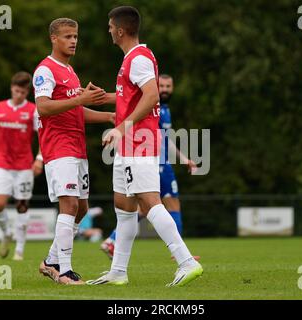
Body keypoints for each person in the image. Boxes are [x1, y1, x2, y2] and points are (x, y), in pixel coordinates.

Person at [87, 6, 203, 287]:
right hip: (130, 143)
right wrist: (103, 98)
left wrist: (122, 127)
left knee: (150, 202)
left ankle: (187, 262)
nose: (109, 31)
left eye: (110, 26)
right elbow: (132, 95)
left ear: (120, 30)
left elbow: (151, 96)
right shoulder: (134, 58)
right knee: (123, 205)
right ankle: (118, 271)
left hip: (138, 140)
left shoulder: (137, 58)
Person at [33, 18, 113, 285]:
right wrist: (80, 98)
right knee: (70, 204)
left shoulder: (71, 72)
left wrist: (109, 117)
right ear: (54, 38)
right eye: (67, 36)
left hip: (77, 147)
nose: (73, 40)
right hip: (58, 146)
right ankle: (65, 271)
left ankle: (50, 261)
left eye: (76, 36)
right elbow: (43, 107)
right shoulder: (45, 70)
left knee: (82, 209)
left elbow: (76, 109)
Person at [100, 74, 200, 261]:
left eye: (168, 86)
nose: (164, 89)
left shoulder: (165, 109)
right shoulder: (154, 108)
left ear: (173, 88)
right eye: (161, 85)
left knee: (144, 207)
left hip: (155, 160)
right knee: (170, 204)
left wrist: (183, 158)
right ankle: (179, 253)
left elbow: (165, 139)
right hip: (156, 162)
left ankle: (111, 240)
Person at [0, 71, 43, 261]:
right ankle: (6, 232)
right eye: (16, 91)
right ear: (11, 89)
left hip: (24, 165)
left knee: (22, 206)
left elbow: (42, 135)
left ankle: (19, 250)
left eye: (23, 93)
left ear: (27, 93)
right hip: (1, 164)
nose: (19, 96)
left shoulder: (33, 110)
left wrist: (39, 158)